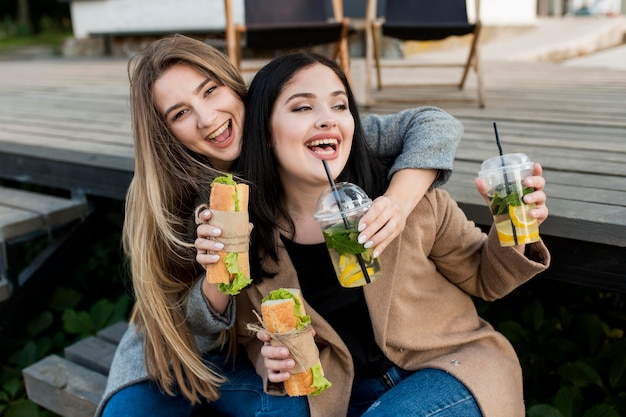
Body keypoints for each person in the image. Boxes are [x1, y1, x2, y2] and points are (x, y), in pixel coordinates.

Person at [97, 34, 464, 417]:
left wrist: (399, 201)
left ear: (234, 85)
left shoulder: (291, 132)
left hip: (261, 351)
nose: (207, 119)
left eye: (210, 91)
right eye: (180, 113)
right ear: (165, 132)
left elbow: (433, 124)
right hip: (182, 343)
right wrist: (216, 276)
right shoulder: (168, 191)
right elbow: (184, 324)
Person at [216, 52, 551, 417]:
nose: (327, 119)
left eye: (339, 105)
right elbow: (250, 335)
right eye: (302, 109)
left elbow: (487, 280)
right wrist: (270, 363)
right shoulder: (250, 234)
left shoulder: (408, 199)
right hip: (344, 395)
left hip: (450, 368)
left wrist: (513, 222)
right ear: (264, 133)